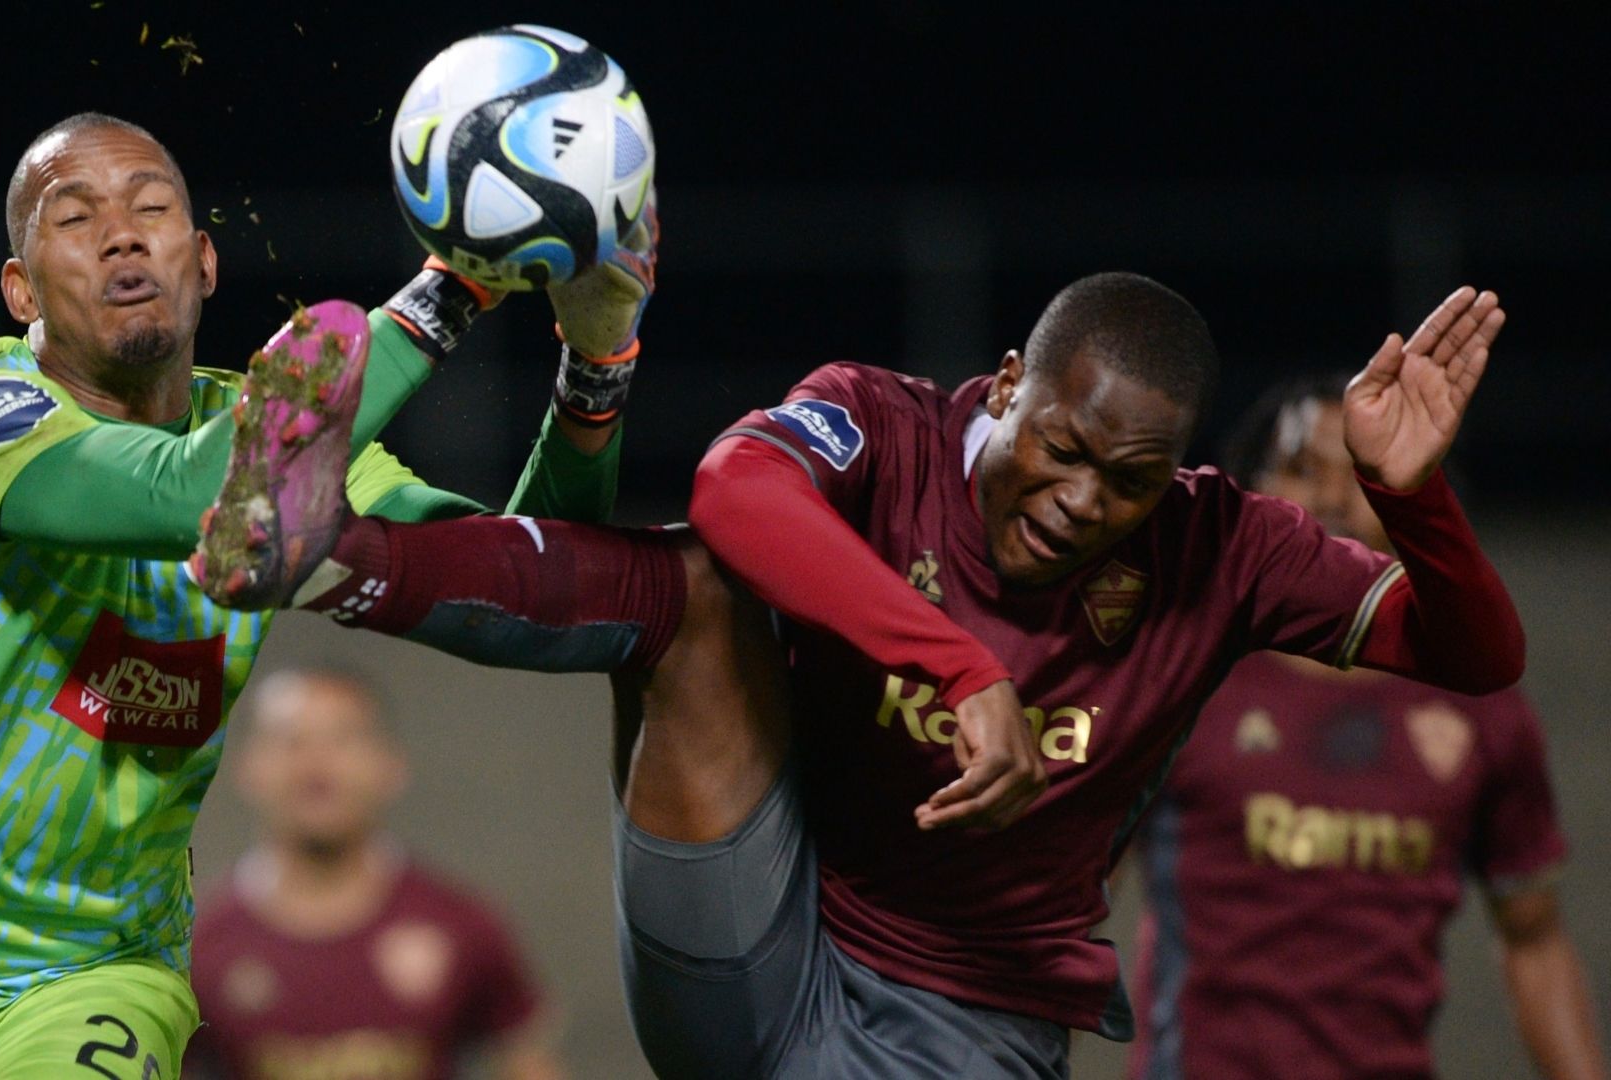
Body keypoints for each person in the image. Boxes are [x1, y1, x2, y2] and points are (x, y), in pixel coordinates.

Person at [196, 272, 1522, 1079]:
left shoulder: (1224, 543)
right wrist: (951, 664)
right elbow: (733, 487)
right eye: (1061, 447)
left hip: (968, 1030)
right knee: (696, 591)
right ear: (1006, 385)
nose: (1080, 501)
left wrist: (1415, 502)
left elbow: (1475, 656)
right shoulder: (885, 422)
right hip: (763, 924)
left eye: (1127, 483)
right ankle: (316, 555)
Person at [0, 110, 651, 1078]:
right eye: (75, 218)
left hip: (96, 977)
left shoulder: (280, 437)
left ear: (206, 262)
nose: (124, 233)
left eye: (153, 208)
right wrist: (458, 285)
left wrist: (595, 370)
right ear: (21, 290)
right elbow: (191, 494)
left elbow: (534, 593)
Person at [1126, 375, 1607, 1080]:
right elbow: (1074, 899)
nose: (1330, 499)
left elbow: (1534, 939)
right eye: (1301, 470)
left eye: (1362, 475)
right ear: (1246, 496)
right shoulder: (1185, 672)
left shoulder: (1477, 706)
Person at [185, 669, 564, 1080]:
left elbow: (527, 1064)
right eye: (291, 741)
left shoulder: (460, 923)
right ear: (248, 769)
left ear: (391, 767)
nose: (317, 764)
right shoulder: (198, 941)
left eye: (343, 739)